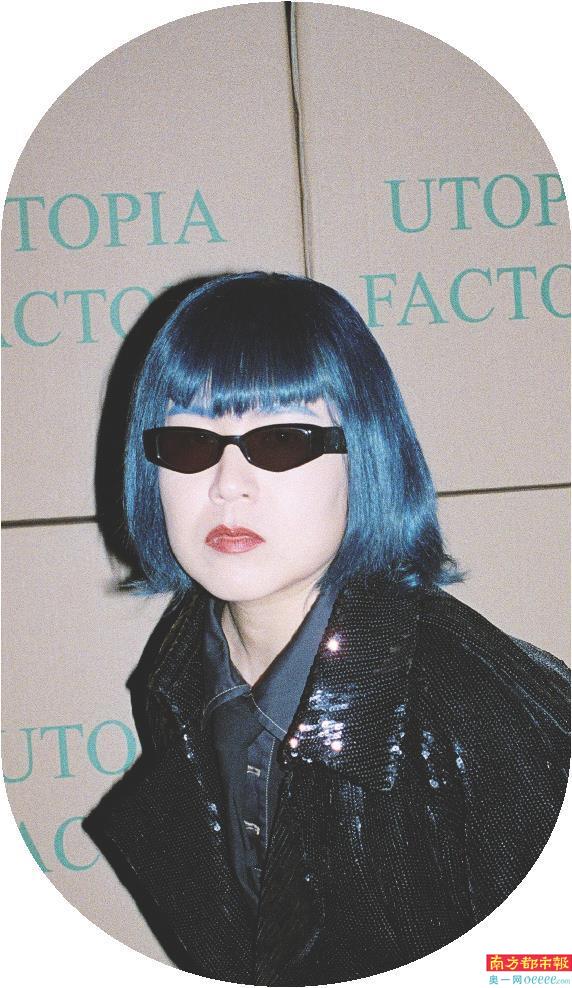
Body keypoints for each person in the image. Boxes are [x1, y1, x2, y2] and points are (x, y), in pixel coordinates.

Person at [84, 272, 570, 986]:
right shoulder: (178, 678)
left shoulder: (488, 716)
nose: (227, 483)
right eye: (188, 442)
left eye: (282, 440)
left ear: (365, 456)